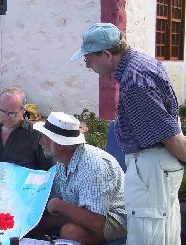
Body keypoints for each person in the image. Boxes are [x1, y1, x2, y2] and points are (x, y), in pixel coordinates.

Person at [71, 22, 185, 244]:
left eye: (88, 59)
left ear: (106, 54)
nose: (87, 65)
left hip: (152, 168)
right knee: (164, 234)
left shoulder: (134, 81)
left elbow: (171, 137)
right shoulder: (141, 62)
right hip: (156, 167)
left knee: (148, 236)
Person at [30, 112, 126, 244]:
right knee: (32, 224)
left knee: (70, 232)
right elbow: (50, 203)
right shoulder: (61, 162)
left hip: (115, 217)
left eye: (44, 137)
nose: (40, 141)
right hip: (82, 213)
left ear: (59, 145)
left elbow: (97, 222)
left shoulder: (94, 166)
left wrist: (59, 205)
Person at [0, 87, 53, 170]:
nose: (6, 117)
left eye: (12, 113)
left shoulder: (35, 135)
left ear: (23, 110)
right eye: (3, 111)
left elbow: (45, 170)